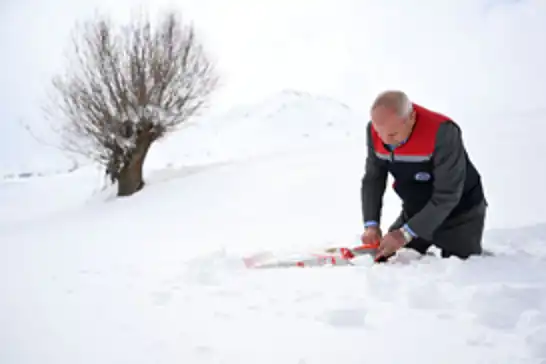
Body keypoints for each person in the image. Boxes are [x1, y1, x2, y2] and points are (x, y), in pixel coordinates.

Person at [360, 90, 487, 262]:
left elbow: (447, 195)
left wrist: (404, 234)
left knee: (461, 270)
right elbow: (373, 179)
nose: (385, 140)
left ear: (411, 118)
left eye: (392, 135)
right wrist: (371, 225)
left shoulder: (442, 132)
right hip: (416, 210)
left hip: (459, 213)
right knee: (386, 259)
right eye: (379, 133)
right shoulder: (378, 131)